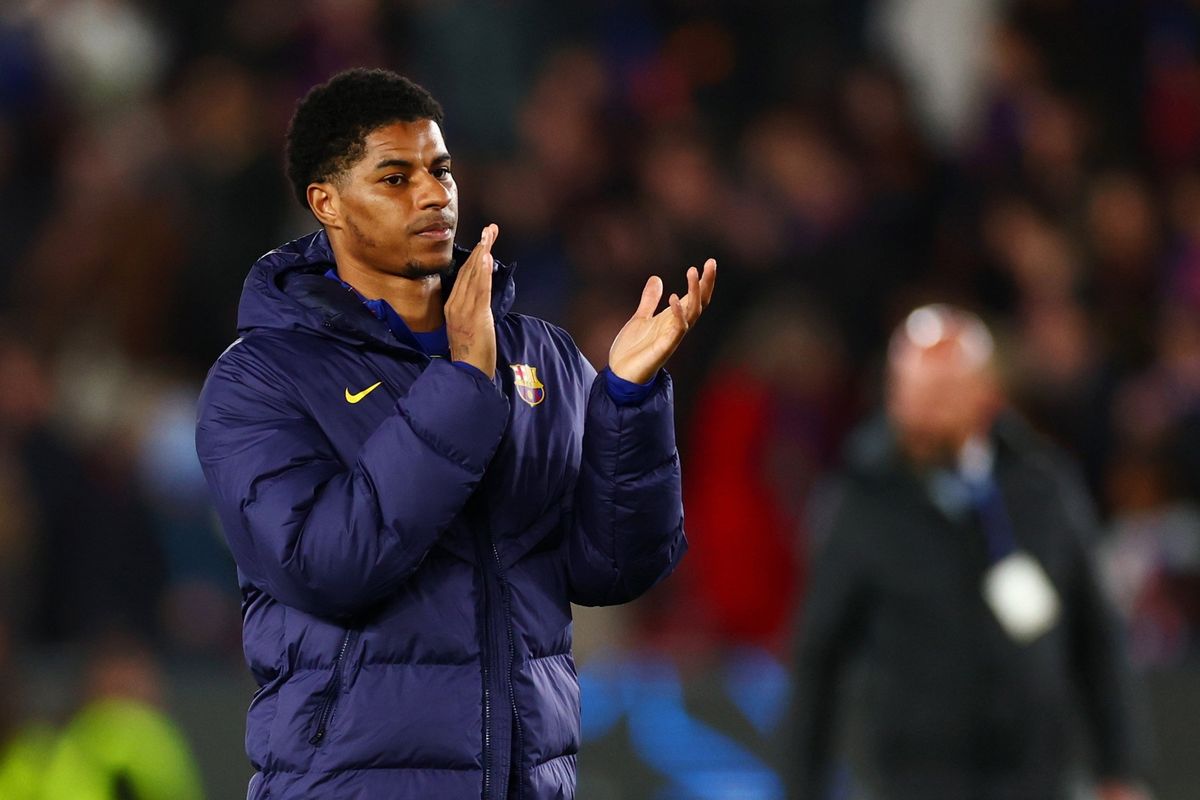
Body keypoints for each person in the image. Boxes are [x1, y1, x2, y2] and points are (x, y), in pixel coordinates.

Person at [195, 68, 715, 799]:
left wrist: (628, 402)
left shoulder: (541, 355)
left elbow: (617, 568)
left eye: (440, 170)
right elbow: (328, 565)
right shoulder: (262, 380)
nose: (434, 194)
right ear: (327, 203)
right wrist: (464, 384)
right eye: (395, 177)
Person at [787, 304, 1148, 800]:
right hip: (913, 784)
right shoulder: (863, 502)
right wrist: (802, 786)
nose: (917, 415)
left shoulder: (1042, 487)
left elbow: (1097, 637)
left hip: (1035, 780)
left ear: (987, 397)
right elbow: (818, 656)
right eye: (907, 394)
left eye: (937, 395)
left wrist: (1119, 770)